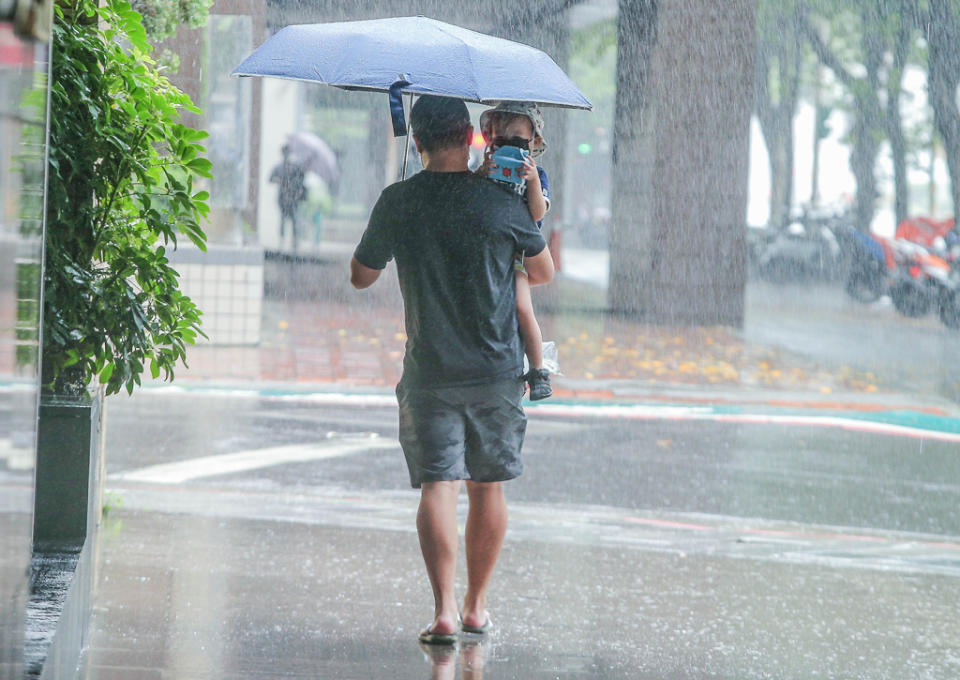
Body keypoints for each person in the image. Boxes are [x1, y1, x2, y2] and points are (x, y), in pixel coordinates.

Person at [350, 95, 554, 644]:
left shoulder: (399, 201)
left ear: (416, 142)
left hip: (430, 371)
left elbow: (360, 277)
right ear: (471, 137)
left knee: (438, 485)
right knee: (488, 487)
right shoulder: (499, 202)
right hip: (495, 371)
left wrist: (397, 217)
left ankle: (442, 609)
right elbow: (542, 271)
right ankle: (474, 606)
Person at [477, 102, 552, 400]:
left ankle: (537, 369)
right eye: (502, 142)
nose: (510, 149)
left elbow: (535, 215)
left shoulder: (538, 176)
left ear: (534, 143)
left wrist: (531, 180)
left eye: (518, 143)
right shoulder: (487, 169)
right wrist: (483, 172)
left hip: (517, 256)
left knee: (522, 307)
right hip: (486, 251)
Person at [269, 144, 307, 248]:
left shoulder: (295, 167)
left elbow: (301, 179)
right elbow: (271, 179)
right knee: (284, 219)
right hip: (283, 197)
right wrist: (281, 182)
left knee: (294, 219)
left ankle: (293, 240)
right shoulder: (279, 167)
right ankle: (284, 240)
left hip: (292, 197)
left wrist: (292, 183)